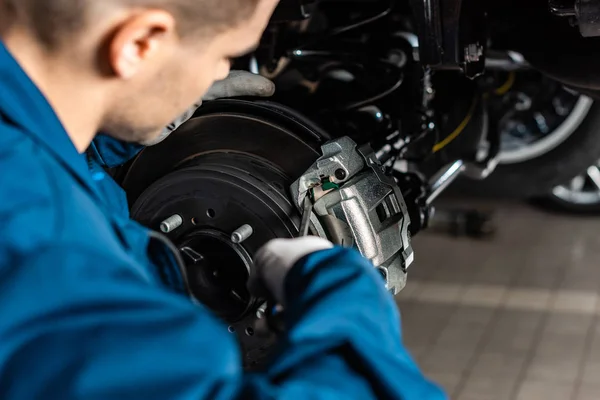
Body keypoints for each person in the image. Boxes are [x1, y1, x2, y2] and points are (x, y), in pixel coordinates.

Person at [0, 0, 445, 398]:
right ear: (140, 44)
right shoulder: (48, 256)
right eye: (223, 54)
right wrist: (346, 307)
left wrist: (94, 140)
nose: (219, 73)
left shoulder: (25, 167)